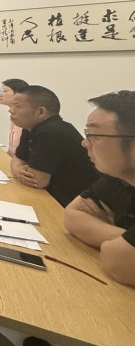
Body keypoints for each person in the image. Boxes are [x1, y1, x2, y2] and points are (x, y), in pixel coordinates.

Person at [64, 90, 135, 287]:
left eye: (93, 135)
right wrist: (123, 236)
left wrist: (117, 243)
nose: (84, 142)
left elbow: (118, 261)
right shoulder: (119, 178)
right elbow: (72, 215)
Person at [9, 85, 98, 206]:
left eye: (17, 106)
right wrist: (17, 169)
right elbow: (18, 159)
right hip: (50, 195)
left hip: (70, 202)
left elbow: (37, 181)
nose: (11, 110)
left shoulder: (52, 131)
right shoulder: (30, 126)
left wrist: (19, 169)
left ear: (41, 112)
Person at [0, 78, 29, 157]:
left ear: (19, 94)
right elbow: (11, 151)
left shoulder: (27, 119)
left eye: (4, 91)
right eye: (0, 91)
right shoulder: (13, 115)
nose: (0, 94)